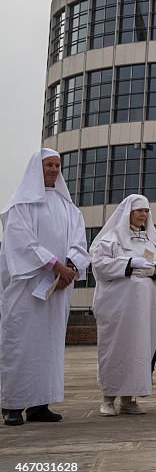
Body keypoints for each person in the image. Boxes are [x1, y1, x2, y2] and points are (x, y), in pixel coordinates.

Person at [0, 149, 90, 426]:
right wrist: (54, 266)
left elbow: (79, 242)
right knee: (21, 342)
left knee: (48, 347)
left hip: (57, 289)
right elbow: (22, 243)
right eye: (48, 165)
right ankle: (13, 404)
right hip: (28, 288)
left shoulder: (68, 207)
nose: (53, 169)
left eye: (57, 165)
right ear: (35, 169)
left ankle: (40, 403)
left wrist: (70, 267)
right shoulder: (20, 206)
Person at [90, 194, 156, 416]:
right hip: (119, 308)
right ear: (128, 212)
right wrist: (128, 264)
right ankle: (108, 398)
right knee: (115, 349)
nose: (143, 215)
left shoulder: (152, 241)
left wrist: (154, 270)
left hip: (146, 309)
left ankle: (129, 399)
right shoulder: (110, 239)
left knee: (140, 351)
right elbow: (99, 264)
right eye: (139, 210)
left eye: (146, 211)